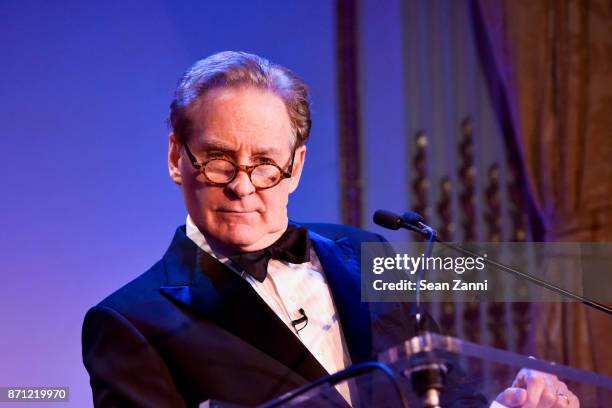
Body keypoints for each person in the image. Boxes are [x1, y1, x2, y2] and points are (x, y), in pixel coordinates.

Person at [82, 51, 579, 408]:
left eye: (265, 163)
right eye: (218, 161)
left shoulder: (366, 252)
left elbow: (444, 395)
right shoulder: (128, 323)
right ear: (176, 158)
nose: (243, 186)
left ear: (296, 166)